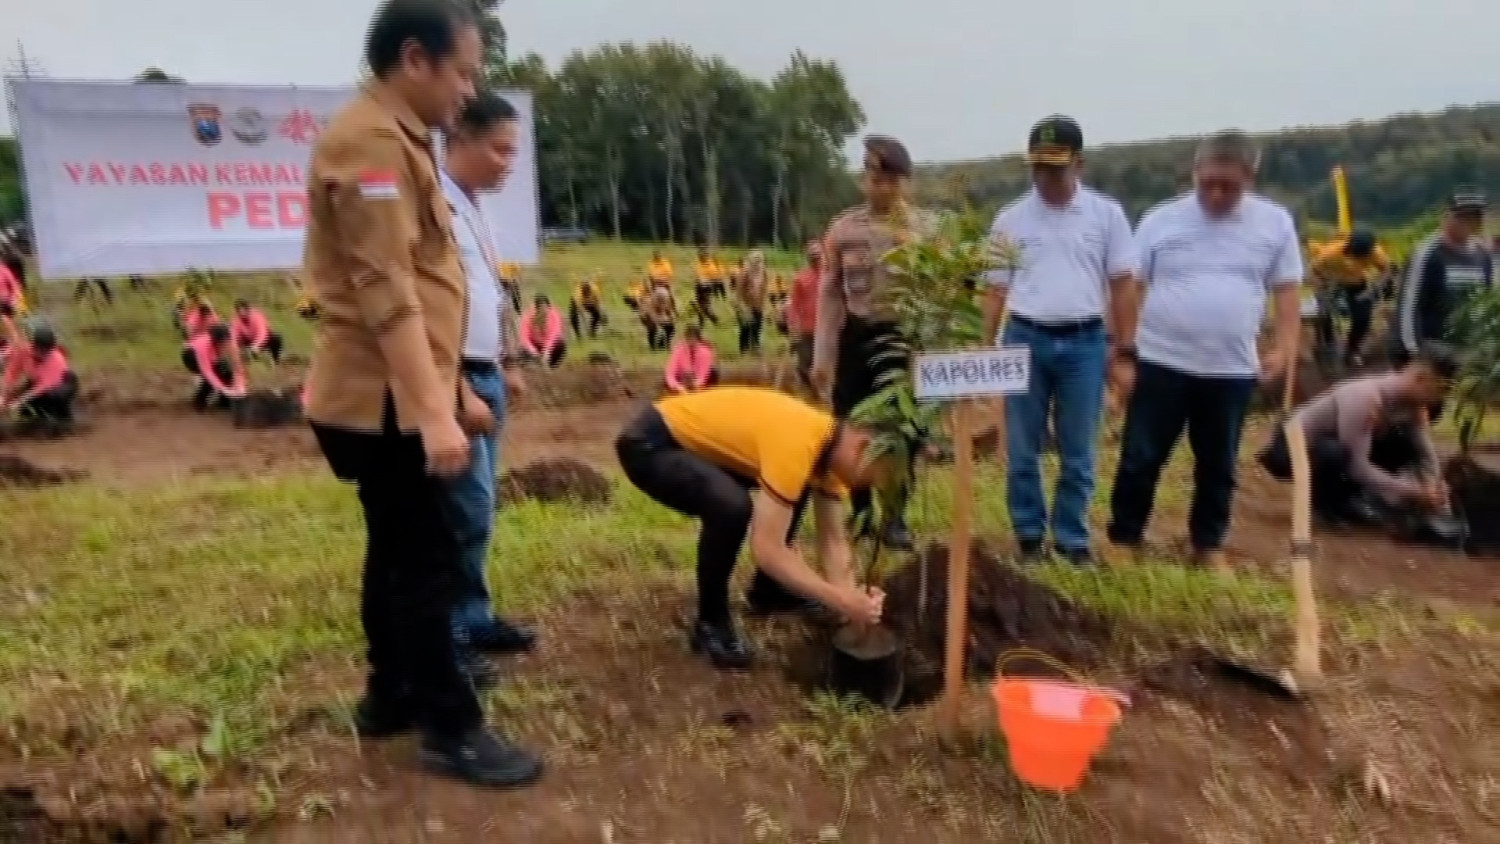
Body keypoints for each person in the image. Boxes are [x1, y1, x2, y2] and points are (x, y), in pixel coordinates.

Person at [300, 0, 541, 788]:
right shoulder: (371, 144)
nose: (469, 91)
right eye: (464, 70)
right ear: (416, 59)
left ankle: (392, 693)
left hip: (396, 391)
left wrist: (452, 392)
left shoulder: (402, 142)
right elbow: (386, 289)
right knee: (425, 561)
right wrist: (437, 411)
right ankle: (450, 727)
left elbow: (426, 284)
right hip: (381, 401)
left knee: (397, 551)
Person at [1107, 131, 1303, 571]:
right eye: (1208, 183)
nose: (1216, 194)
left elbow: (1287, 289)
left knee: (1218, 464)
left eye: (1229, 186)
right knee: (1141, 456)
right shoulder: (1161, 220)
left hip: (1230, 368)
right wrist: (1121, 353)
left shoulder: (1274, 224)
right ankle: (1124, 538)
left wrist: (1286, 348)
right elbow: (1130, 287)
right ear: (1194, 174)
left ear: (1250, 178)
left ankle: (1208, 546)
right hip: (1161, 361)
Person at [615, 387, 888, 669]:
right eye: (880, 473)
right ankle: (711, 623)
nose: (875, 485)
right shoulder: (798, 443)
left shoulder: (828, 455)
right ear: (863, 448)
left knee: (793, 487)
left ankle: (770, 592)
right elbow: (767, 550)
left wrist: (853, 608)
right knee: (731, 507)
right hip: (651, 445)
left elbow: (833, 543)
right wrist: (839, 599)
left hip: (699, 450)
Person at [982, 115, 1140, 565]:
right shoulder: (1010, 219)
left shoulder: (1106, 216)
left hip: (1085, 341)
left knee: (1079, 449)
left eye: (1056, 167)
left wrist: (1124, 349)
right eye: (1038, 167)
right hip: (1024, 338)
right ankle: (1029, 536)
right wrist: (984, 347)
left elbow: (1123, 285)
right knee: (1021, 447)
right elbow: (995, 289)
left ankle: (1072, 538)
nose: (1046, 177)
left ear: (1080, 164)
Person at [439, 90, 536, 678]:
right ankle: (450, 636)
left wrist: (508, 360)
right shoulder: (435, 207)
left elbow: (489, 295)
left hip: (485, 373)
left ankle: (474, 616)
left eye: (514, 152)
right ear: (461, 139)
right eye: (500, 150)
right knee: (461, 511)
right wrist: (457, 389)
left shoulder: (473, 207)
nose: (508, 163)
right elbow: (425, 309)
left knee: (481, 507)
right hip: (457, 381)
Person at [812, 135, 940, 551]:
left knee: (904, 430)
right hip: (858, 337)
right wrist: (823, 354)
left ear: (905, 182)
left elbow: (942, 293)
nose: (879, 186)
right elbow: (830, 292)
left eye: (888, 179)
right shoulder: (844, 229)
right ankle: (862, 511)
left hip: (906, 340)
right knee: (852, 427)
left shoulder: (926, 230)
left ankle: (896, 517)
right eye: (871, 176)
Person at [1258, 345, 1455, 527]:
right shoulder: (1365, 397)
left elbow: (1423, 451)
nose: (1439, 398)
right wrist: (1416, 493)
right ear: (1420, 378)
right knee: (1335, 452)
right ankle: (1324, 508)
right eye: (1439, 390)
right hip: (1292, 449)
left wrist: (1437, 489)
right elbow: (1357, 467)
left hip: (1342, 447)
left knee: (1401, 441)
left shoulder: (1413, 405)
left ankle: (1352, 500)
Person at [1393, 189, 1491, 421]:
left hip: (1462, 343)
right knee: (1420, 408)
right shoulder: (1428, 253)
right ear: (1447, 216)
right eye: (1463, 216)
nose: (1469, 223)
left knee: (1434, 410)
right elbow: (1408, 304)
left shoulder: (1481, 255)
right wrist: (1414, 353)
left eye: (1475, 217)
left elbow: (1484, 302)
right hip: (1429, 342)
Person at [1309, 227, 1390, 369]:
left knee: (1363, 317)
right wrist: (1321, 289)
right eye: (1354, 254)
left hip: (1357, 283)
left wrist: (1374, 289)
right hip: (1331, 281)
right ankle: (1328, 345)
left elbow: (1386, 270)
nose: (1356, 259)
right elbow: (1314, 271)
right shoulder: (1331, 252)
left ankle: (1352, 350)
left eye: (1361, 256)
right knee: (1323, 313)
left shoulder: (1376, 253)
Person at [0, 323, 78, 430]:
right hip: (37, 381)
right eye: (42, 349)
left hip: (63, 383)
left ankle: (64, 420)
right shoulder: (24, 351)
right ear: (34, 345)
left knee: (55, 396)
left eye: (47, 350)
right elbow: (11, 373)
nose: (45, 353)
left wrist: (18, 401)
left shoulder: (56, 359)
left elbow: (43, 386)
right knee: (25, 404)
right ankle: (36, 420)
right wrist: (4, 396)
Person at [182, 323, 248, 411]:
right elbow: (207, 371)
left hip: (213, 353)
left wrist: (240, 386)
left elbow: (237, 363)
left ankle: (225, 402)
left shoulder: (231, 337)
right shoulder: (203, 344)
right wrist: (224, 389)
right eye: (222, 343)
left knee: (226, 371)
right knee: (213, 376)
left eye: (226, 342)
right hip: (191, 355)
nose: (225, 345)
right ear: (215, 341)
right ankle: (199, 401)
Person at [786, 242, 822, 390]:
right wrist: (793, 323)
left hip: (828, 327)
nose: (815, 258)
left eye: (818, 255)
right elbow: (795, 303)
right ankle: (808, 389)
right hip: (807, 327)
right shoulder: (801, 278)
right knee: (805, 361)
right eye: (812, 255)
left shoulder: (831, 276)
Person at [733, 250, 769, 355]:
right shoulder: (744, 272)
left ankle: (755, 347)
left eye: (759, 259)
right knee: (745, 327)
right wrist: (741, 305)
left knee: (757, 326)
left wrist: (763, 305)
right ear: (750, 260)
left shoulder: (764, 272)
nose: (757, 262)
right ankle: (743, 349)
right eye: (755, 259)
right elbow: (739, 290)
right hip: (745, 304)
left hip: (758, 304)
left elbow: (764, 289)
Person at [665, 324, 719, 393]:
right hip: (682, 379)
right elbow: (670, 372)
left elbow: (702, 375)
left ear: (698, 340)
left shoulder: (705, 352)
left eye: (694, 340)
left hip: (699, 380)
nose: (691, 343)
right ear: (686, 339)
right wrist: (677, 386)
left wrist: (695, 387)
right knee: (667, 381)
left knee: (713, 372)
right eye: (689, 339)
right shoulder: (678, 350)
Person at [232, 300, 285, 364]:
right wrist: (234, 349)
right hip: (248, 340)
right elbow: (234, 335)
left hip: (264, 339)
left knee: (277, 337)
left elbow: (262, 333)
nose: (242, 313)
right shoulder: (236, 320)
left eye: (243, 310)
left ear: (247, 309)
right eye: (239, 311)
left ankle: (275, 360)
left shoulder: (256, 316)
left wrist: (256, 346)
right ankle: (247, 357)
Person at [520, 294, 566, 367]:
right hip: (535, 344)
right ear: (536, 307)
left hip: (549, 345)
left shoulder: (554, 315)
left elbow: (554, 334)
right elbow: (524, 336)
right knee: (522, 350)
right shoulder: (528, 315)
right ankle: (532, 364)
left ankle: (552, 365)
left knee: (561, 343)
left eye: (545, 307)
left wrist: (547, 350)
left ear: (548, 306)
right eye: (540, 308)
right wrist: (533, 351)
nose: (543, 310)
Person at [692, 247, 723, 326]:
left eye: (703, 255)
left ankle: (713, 318)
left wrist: (708, 281)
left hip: (707, 288)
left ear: (706, 256)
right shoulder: (698, 264)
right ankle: (702, 321)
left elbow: (715, 278)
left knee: (705, 306)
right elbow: (697, 276)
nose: (701, 256)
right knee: (699, 305)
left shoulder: (711, 265)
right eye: (700, 255)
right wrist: (699, 280)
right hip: (699, 287)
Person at [569, 273, 605, 339]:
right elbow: (581, 312)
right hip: (578, 302)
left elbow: (597, 305)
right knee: (573, 316)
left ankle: (592, 332)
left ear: (589, 287)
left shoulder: (595, 290)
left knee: (597, 315)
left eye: (587, 289)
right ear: (581, 288)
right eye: (584, 289)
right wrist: (585, 327)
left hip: (590, 301)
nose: (585, 290)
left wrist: (600, 314)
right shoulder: (578, 293)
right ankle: (578, 335)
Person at [643, 283, 678, 351]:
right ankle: (657, 345)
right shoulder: (655, 296)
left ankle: (660, 344)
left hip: (657, 315)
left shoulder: (661, 294)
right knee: (655, 329)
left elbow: (667, 307)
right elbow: (651, 310)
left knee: (669, 328)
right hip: (653, 315)